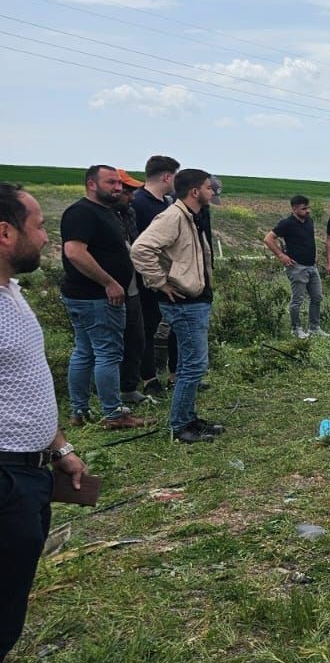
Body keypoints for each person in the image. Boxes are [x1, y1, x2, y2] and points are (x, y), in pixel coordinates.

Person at [1, 182, 89, 663]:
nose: (45, 236)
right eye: (37, 225)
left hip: (29, 470)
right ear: (4, 232)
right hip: (4, 477)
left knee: (7, 609)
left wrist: (60, 448)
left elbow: (23, 386)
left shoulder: (10, 292)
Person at [131, 169, 224, 445]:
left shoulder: (189, 217)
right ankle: (180, 425)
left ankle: (189, 418)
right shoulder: (173, 217)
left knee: (189, 365)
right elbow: (140, 249)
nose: (212, 192)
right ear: (195, 191)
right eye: (209, 188)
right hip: (185, 303)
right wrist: (160, 282)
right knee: (194, 366)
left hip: (195, 300)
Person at [59, 165, 145, 430]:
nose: (118, 187)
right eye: (111, 182)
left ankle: (79, 411)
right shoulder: (82, 212)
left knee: (84, 352)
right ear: (91, 184)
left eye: (119, 183)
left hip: (87, 296)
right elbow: (74, 252)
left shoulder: (104, 212)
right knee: (108, 353)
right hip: (96, 297)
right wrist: (109, 282)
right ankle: (113, 414)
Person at [131, 155, 178, 394]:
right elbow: (137, 246)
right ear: (167, 177)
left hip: (170, 277)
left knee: (175, 326)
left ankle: (174, 375)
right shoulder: (138, 203)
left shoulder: (167, 204)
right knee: (148, 329)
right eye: (174, 177)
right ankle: (149, 379)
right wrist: (155, 277)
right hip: (147, 280)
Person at [112, 170, 151, 408]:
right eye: (127, 191)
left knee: (136, 337)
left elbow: (136, 245)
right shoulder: (97, 215)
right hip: (110, 290)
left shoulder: (129, 213)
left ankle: (128, 388)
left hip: (133, 285)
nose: (131, 196)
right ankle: (105, 400)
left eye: (131, 191)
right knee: (111, 345)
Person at [266, 196, 325, 338]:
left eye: (308, 208)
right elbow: (268, 239)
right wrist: (281, 255)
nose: (307, 211)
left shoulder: (309, 221)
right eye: (304, 208)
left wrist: (315, 255)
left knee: (317, 297)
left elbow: (310, 240)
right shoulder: (286, 223)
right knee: (298, 299)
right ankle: (296, 328)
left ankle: (314, 327)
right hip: (297, 266)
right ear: (294, 209)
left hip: (311, 265)